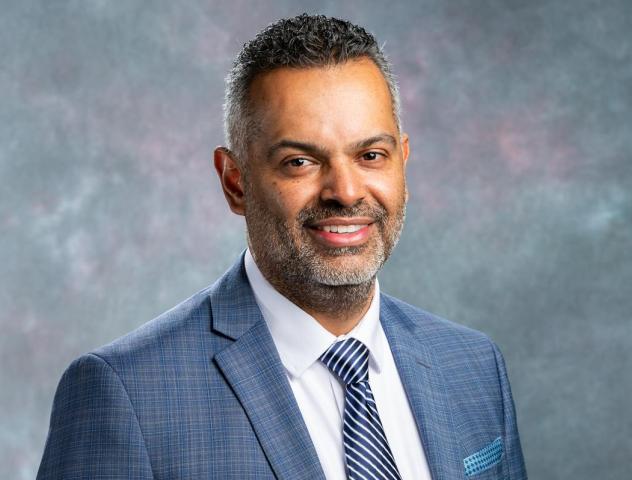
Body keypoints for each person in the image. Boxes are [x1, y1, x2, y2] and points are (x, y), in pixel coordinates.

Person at [37, 14, 527, 480]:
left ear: (403, 162)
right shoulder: (126, 394)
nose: (346, 190)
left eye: (370, 155)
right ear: (235, 182)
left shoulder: (473, 365)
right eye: (299, 162)